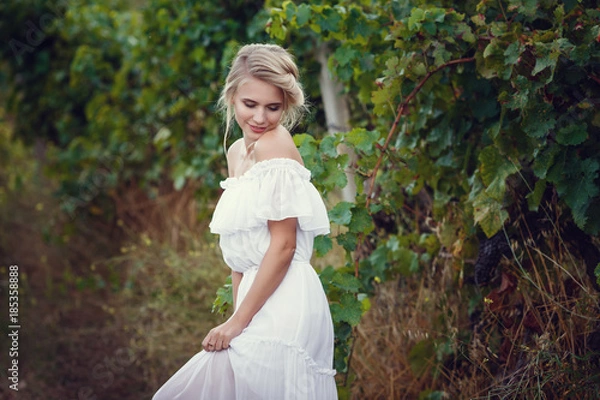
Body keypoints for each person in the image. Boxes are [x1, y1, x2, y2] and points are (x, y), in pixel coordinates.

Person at [152, 43, 338, 400]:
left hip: (286, 297)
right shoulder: (237, 151)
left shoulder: (275, 144)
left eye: (273, 107)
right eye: (249, 104)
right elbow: (239, 255)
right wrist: (238, 315)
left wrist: (237, 323)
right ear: (232, 97)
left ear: (286, 106)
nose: (260, 118)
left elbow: (283, 246)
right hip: (255, 299)